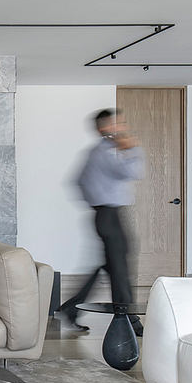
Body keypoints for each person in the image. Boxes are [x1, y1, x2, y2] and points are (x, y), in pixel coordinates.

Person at [58, 108, 145, 334]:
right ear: (106, 128)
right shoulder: (104, 153)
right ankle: (129, 321)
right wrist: (133, 148)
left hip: (106, 215)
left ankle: (71, 309)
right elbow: (134, 172)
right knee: (120, 269)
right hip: (109, 215)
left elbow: (77, 181)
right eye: (119, 123)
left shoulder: (98, 152)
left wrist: (95, 202)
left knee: (111, 266)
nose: (123, 127)